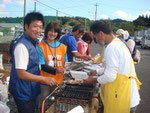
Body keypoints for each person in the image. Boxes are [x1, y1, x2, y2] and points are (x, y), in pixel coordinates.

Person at [84, 20, 141, 113]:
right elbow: (115, 68)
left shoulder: (112, 47)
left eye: (95, 38)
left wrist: (93, 80)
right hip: (125, 95)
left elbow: (110, 76)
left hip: (123, 99)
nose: (96, 41)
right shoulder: (117, 42)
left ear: (101, 34)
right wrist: (97, 72)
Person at [8, 12, 57, 113]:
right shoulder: (22, 46)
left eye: (40, 27)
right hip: (23, 92)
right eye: (35, 26)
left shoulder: (32, 42)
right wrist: (44, 78)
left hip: (30, 90)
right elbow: (21, 74)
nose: (38, 30)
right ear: (26, 26)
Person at [37, 22, 68, 111]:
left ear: (58, 33)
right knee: (43, 103)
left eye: (55, 32)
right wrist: (56, 70)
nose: (52, 34)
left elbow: (66, 64)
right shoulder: (40, 46)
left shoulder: (63, 47)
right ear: (46, 32)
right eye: (50, 31)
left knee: (57, 105)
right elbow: (42, 65)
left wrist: (65, 68)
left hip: (58, 82)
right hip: (44, 82)